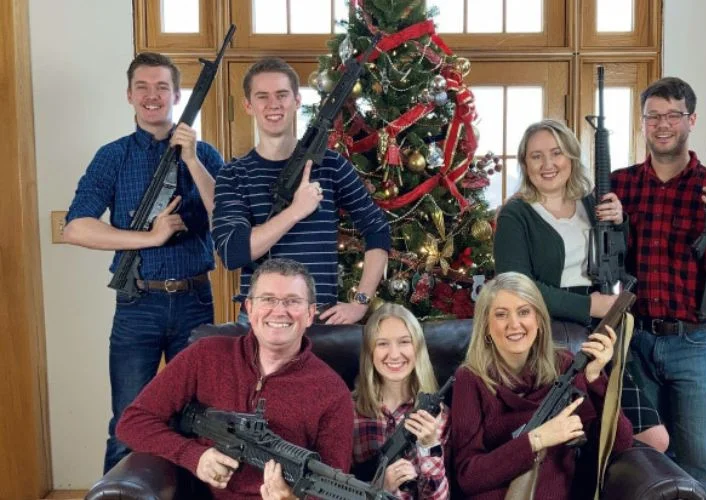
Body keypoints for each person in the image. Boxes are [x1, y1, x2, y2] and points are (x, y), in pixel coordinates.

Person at [63, 52, 224, 473]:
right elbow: (76, 228)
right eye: (143, 87)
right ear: (129, 95)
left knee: (201, 422)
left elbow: (227, 222)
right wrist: (149, 237)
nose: (152, 96)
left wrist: (191, 159)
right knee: (129, 421)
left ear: (176, 95)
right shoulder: (112, 157)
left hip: (195, 303)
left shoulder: (205, 153)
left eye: (162, 87)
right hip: (139, 307)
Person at [610, 77, 706, 499]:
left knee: (698, 462)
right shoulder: (621, 185)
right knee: (641, 460)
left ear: (691, 120)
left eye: (673, 115)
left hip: (699, 346)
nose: (662, 125)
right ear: (643, 123)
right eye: (653, 116)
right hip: (636, 342)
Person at [494, 119, 668, 451]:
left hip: (602, 332)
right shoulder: (516, 216)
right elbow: (515, 287)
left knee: (650, 437)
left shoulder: (591, 204)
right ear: (524, 163)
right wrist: (588, 306)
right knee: (572, 439)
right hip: (550, 338)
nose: (548, 164)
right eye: (536, 156)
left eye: (556, 153)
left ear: (571, 158)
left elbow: (618, 259)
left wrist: (622, 222)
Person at [116, 258, 354, 499]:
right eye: (268, 299)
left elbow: (333, 487)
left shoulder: (332, 391)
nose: (280, 310)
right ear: (249, 308)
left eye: (292, 301)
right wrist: (193, 455)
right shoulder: (205, 354)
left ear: (310, 314)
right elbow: (133, 422)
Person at [212, 57, 390, 325]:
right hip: (261, 321)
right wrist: (295, 211)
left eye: (282, 95)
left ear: (296, 101)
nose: (273, 104)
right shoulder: (234, 174)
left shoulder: (331, 165)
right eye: (262, 96)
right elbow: (233, 253)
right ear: (248, 106)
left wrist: (360, 303)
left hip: (318, 319)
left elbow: (377, 229)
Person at [449, 272, 633, 499]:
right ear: (486, 325)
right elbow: (469, 476)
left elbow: (620, 443)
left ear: (539, 320)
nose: (514, 324)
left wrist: (595, 378)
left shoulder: (565, 365)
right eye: (501, 314)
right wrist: (537, 440)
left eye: (524, 312)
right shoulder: (469, 378)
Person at [351, 303, 449, 499]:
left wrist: (429, 446)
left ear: (417, 348)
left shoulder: (438, 415)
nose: (394, 354)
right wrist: (380, 487)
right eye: (382, 343)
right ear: (370, 352)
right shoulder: (349, 411)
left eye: (404, 342)